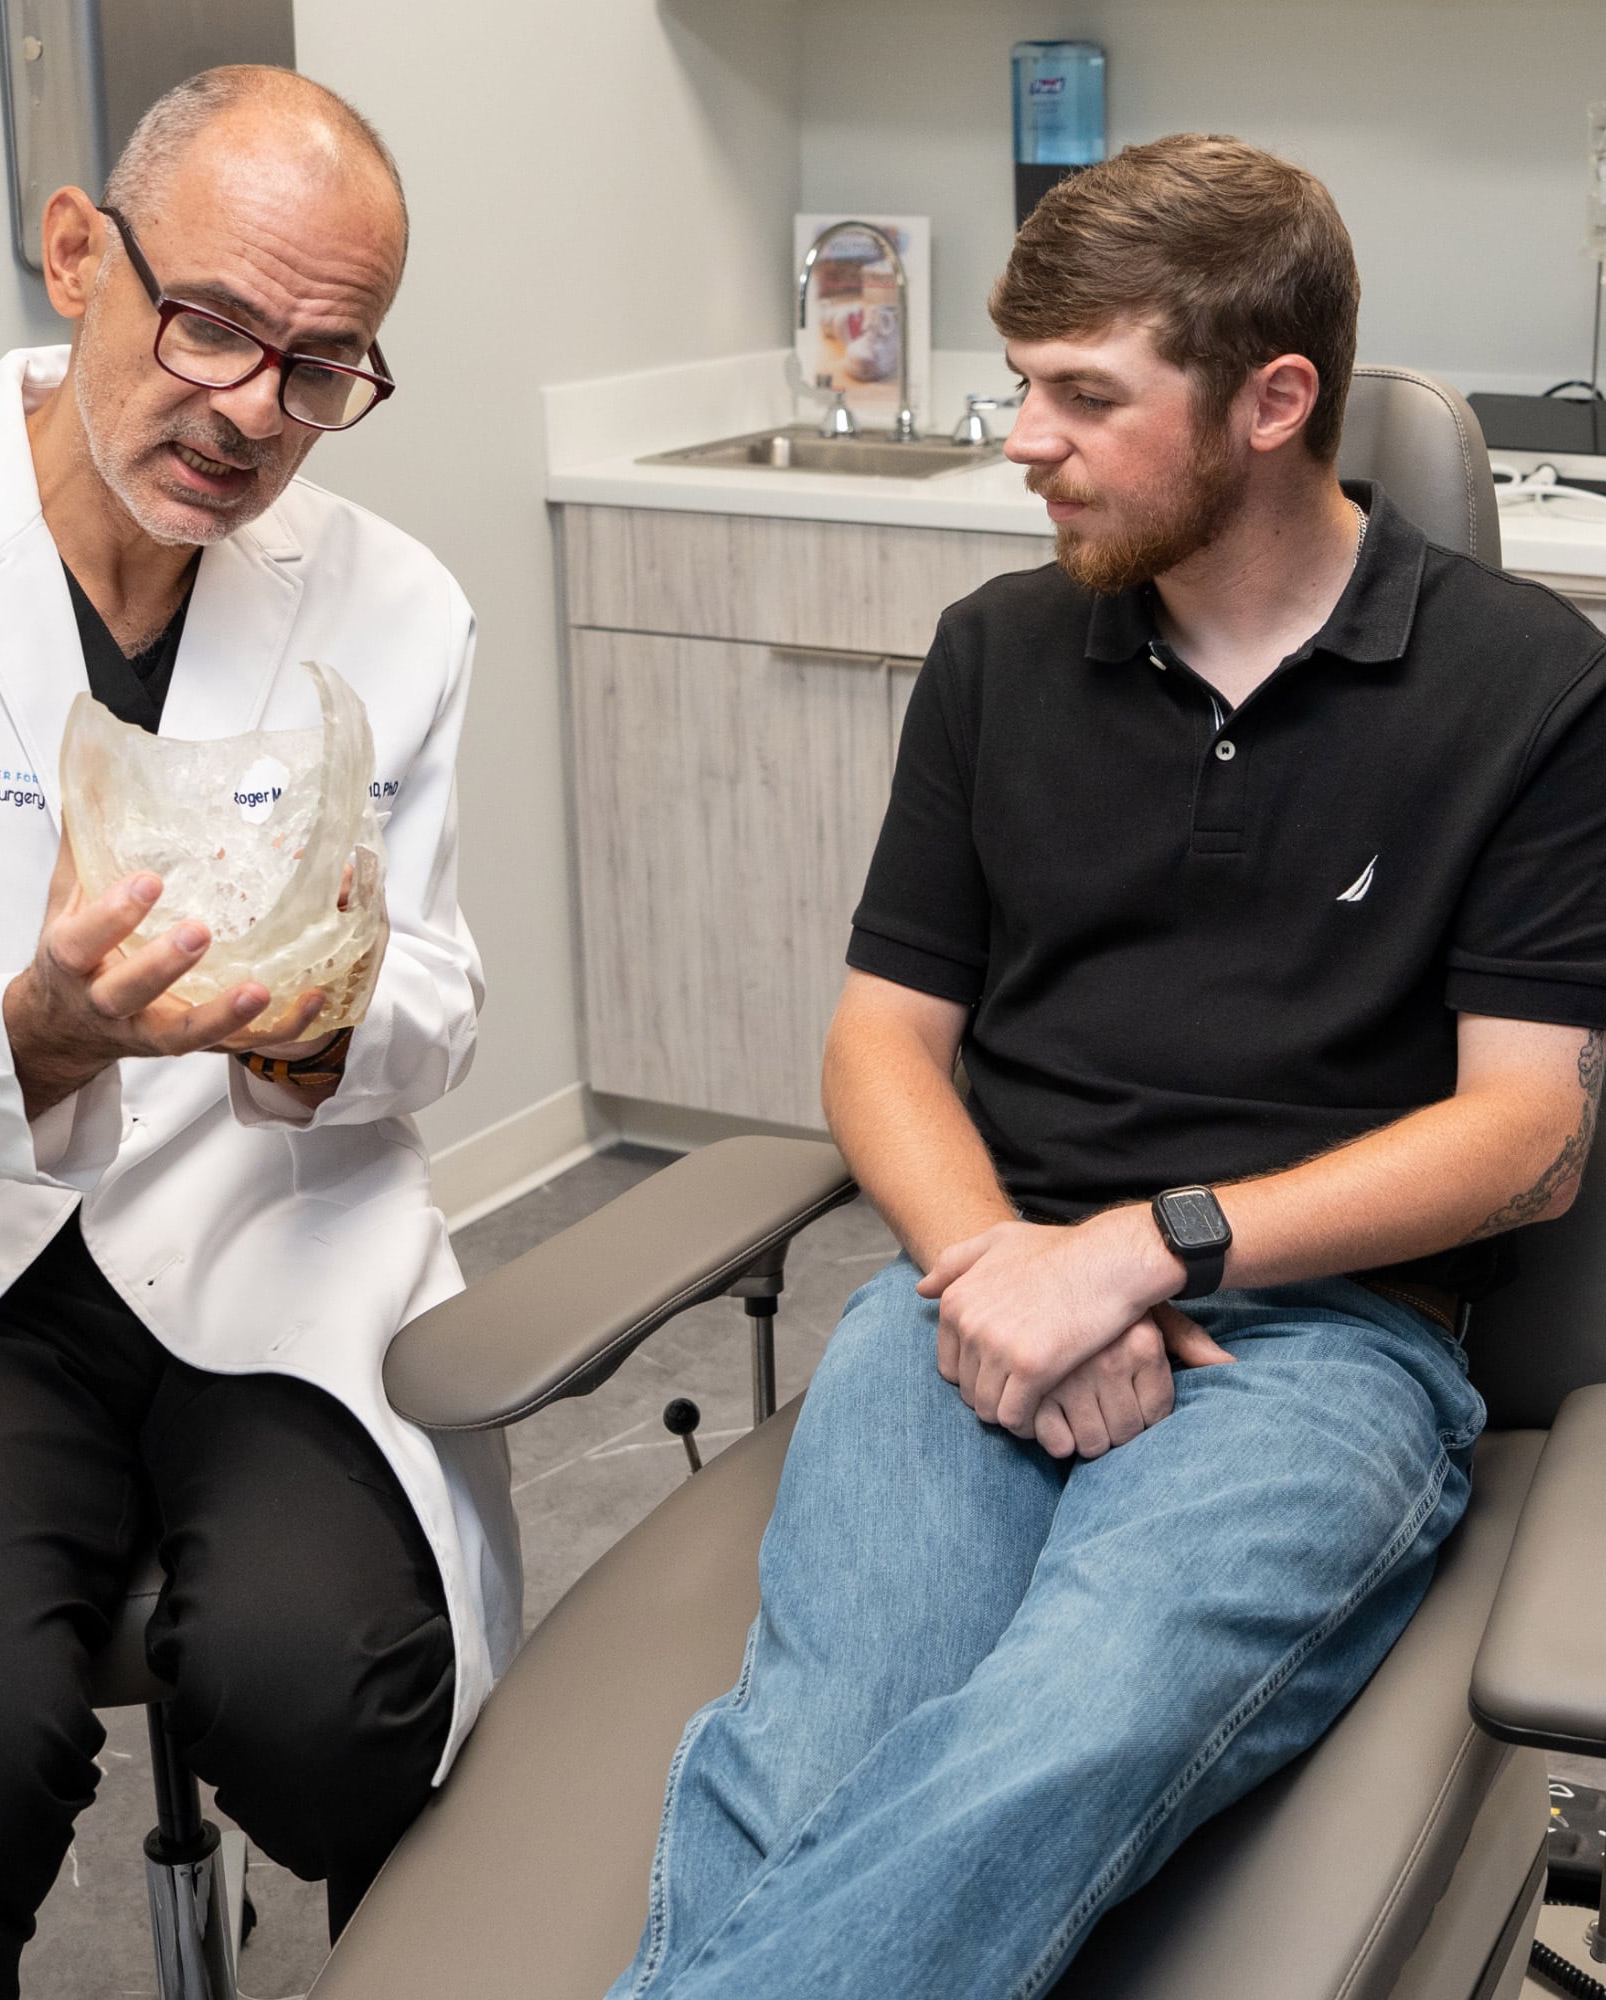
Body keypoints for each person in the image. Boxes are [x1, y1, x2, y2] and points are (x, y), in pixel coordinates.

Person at [607, 135, 1606, 2000]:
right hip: (977, 1283)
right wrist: (1000, 1262)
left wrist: (1146, 1247)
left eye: (1085, 394)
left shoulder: (1526, 686)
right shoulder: (997, 655)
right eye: (1023, 386)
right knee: (816, 1745)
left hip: (1331, 1339)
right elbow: (883, 1037)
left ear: (1272, 402)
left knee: (1068, 1726)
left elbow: (1529, 1137)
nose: (1023, 439)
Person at [0, 66, 517, 1999]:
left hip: (273, 1246)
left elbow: (444, 992)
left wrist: (313, 1029)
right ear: (79, 253)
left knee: (342, 1711)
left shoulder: (397, 607)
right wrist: (37, 1029)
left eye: (323, 368)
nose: (251, 410)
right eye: (212, 322)